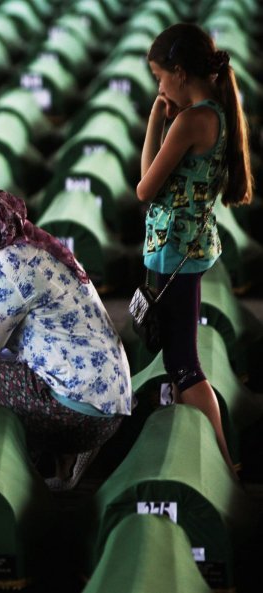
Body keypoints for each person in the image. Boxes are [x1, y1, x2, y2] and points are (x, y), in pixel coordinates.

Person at [0, 183, 132, 490]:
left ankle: (16, 465)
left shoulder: (7, 267)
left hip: (75, 411)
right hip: (104, 406)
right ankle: (57, 461)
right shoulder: (31, 249)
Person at [137, 24, 253, 475]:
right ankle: (213, 456)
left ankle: (223, 463)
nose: (160, 87)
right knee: (178, 357)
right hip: (190, 248)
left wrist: (154, 121)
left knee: (185, 365)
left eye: (160, 78)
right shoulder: (215, 113)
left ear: (180, 73)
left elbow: (145, 187)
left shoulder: (190, 120)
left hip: (175, 252)